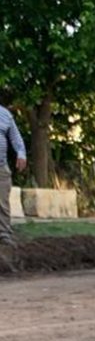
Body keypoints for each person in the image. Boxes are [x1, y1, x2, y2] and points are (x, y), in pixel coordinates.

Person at [0, 104, 27, 246]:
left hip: (1, 167)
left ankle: (3, 234)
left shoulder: (5, 114)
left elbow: (16, 137)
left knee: (2, 202)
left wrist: (21, 154)